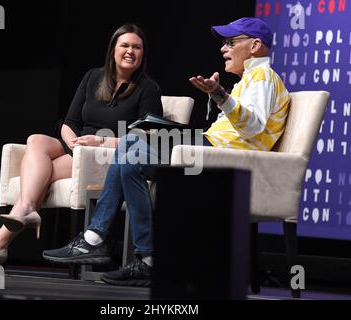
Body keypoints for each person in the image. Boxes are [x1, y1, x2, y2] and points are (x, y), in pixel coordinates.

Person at [42, 17, 290, 287]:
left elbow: (253, 128)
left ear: (254, 46)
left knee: (131, 149)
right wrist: (217, 97)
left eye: (231, 42)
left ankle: (105, 242)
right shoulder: (251, 79)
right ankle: (126, 251)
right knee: (130, 148)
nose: (223, 49)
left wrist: (221, 95)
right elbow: (240, 123)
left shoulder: (263, 77)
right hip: (211, 146)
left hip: (220, 155)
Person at [0, 23, 163, 265]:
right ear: (113, 50)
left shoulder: (148, 89)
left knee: (39, 175)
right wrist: (72, 142)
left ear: (143, 53)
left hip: (107, 154)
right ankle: (25, 209)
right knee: (35, 140)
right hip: (78, 145)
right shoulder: (93, 77)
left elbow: (144, 139)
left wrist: (98, 142)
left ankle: (1, 241)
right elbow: (69, 121)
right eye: (125, 45)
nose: (131, 51)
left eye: (137, 47)